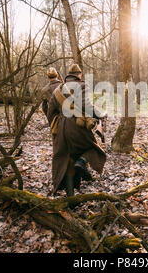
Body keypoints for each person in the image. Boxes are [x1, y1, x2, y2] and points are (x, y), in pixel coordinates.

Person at [47, 64, 106, 196]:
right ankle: (82, 162)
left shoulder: (57, 89)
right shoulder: (82, 86)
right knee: (93, 148)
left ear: (68, 75)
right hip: (77, 127)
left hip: (61, 130)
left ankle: (70, 197)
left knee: (67, 161)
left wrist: (56, 128)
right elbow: (87, 105)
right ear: (79, 74)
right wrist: (100, 114)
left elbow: (50, 113)